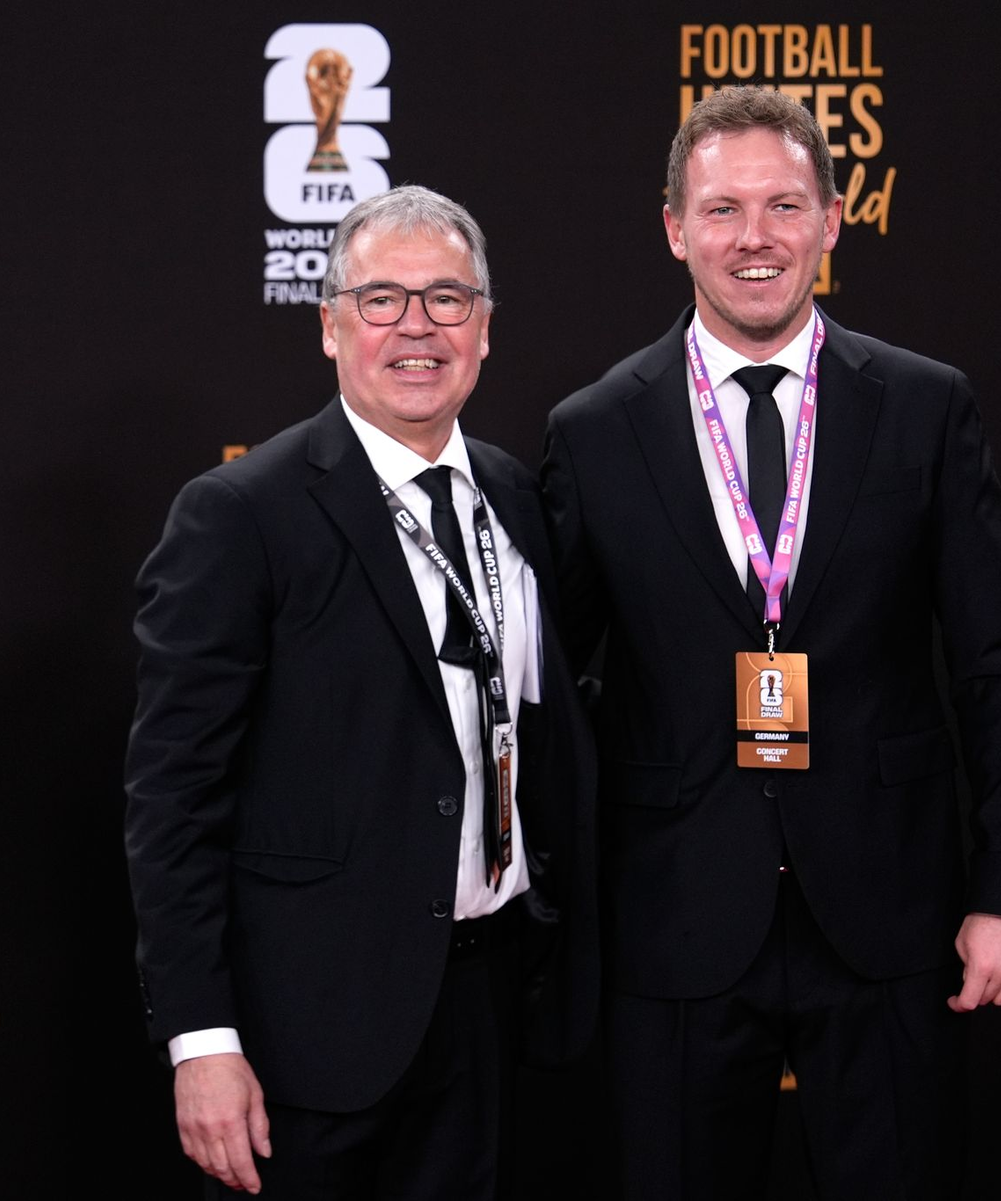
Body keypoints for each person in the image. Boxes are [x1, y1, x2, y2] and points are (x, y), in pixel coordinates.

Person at [541, 88, 1001, 1200]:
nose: (755, 238)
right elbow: (551, 687)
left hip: (888, 915)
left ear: (834, 216)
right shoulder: (592, 430)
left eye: (785, 205)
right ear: (676, 229)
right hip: (672, 922)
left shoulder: (926, 408)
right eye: (723, 210)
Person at [126, 185, 596, 1200]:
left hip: (490, 1005)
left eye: (447, 300)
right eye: (381, 300)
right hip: (308, 1038)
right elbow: (173, 804)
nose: (416, 329)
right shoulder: (238, 515)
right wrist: (201, 1038)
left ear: (486, 329)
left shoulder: (517, 497)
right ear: (331, 325)